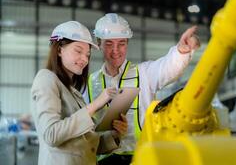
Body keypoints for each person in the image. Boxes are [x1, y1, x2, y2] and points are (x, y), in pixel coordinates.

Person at [84, 13, 201, 165]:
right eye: (108, 44)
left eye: (121, 43)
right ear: (98, 44)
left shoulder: (144, 73)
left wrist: (181, 52)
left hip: (142, 157)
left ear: (127, 43)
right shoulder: (89, 84)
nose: (115, 50)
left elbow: (168, 67)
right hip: (104, 160)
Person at [31, 21, 128, 165]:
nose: (84, 59)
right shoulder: (46, 78)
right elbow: (51, 135)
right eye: (78, 51)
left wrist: (115, 135)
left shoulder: (72, 91)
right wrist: (95, 105)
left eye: (87, 55)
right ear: (59, 50)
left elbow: (85, 145)